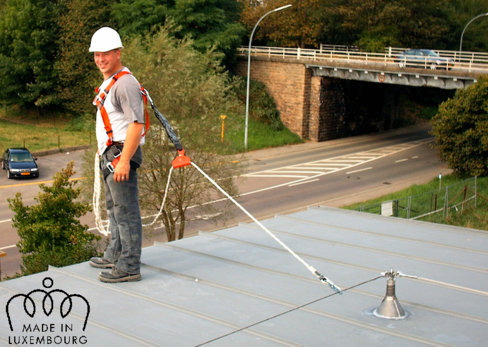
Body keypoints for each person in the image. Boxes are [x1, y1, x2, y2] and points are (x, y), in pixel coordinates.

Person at [88, 27, 145, 283]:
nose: (101, 59)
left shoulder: (124, 83)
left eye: (106, 54)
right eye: (97, 55)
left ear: (118, 53)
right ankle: (116, 254)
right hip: (111, 156)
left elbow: (137, 124)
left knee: (126, 211)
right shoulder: (111, 82)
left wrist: (123, 161)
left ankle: (130, 265)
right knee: (114, 209)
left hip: (120, 157)